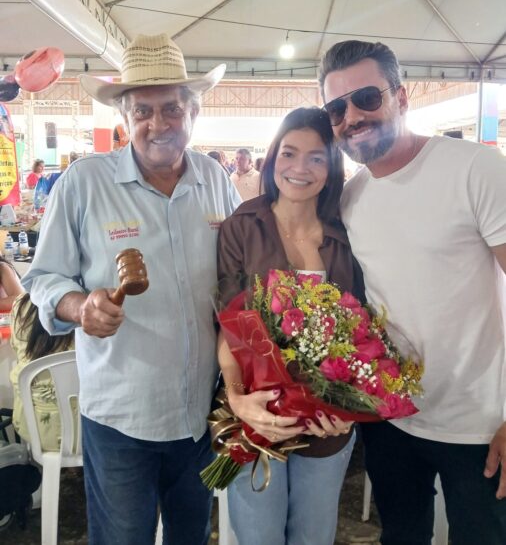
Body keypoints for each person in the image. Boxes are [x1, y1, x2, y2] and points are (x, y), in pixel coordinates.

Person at [23, 33, 241, 545]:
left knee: (190, 535)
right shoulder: (84, 183)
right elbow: (43, 277)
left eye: (171, 109)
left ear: (193, 113)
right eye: (143, 111)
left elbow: (240, 272)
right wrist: (80, 306)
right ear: (124, 117)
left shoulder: (214, 179)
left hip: (200, 413)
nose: (157, 124)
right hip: (123, 416)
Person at [319, 39, 506, 545]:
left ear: (402, 97)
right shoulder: (351, 198)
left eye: (367, 98)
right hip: (392, 419)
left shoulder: (475, 169)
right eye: (337, 109)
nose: (352, 117)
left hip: (481, 424)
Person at [217, 107, 363, 545]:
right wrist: (237, 398)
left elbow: (359, 333)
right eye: (289, 153)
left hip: (325, 425)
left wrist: (348, 409)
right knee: (259, 535)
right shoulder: (242, 227)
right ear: (272, 157)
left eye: (316, 158)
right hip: (257, 416)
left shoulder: (346, 236)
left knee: (313, 535)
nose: (300, 168)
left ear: (331, 167)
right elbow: (228, 323)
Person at [10, 293, 75, 451]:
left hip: (33, 428)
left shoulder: (21, 305)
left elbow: (16, 349)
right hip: (86, 432)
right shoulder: (91, 309)